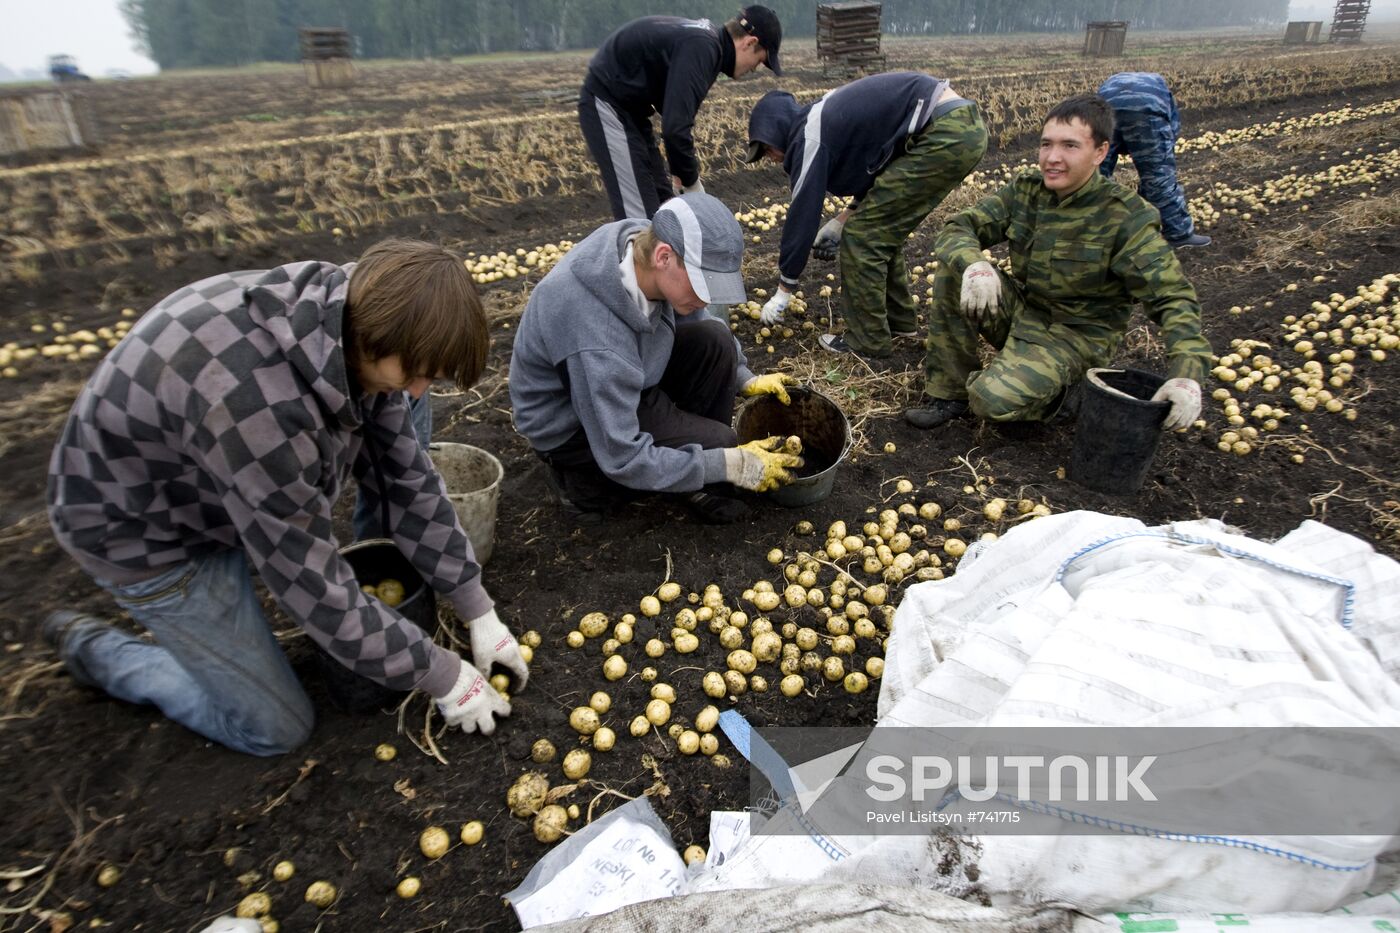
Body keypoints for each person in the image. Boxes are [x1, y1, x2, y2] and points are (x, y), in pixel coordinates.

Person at [44, 239, 528, 757]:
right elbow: (312, 587)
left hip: (218, 485)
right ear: (373, 337)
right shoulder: (261, 415)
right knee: (275, 729)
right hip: (142, 531)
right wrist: (445, 675)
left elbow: (405, 477)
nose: (416, 390)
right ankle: (102, 651)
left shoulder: (351, 321)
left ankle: (257, 635)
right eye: (414, 373)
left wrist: (477, 608)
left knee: (385, 444)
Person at [904, 94, 1211, 431]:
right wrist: (975, 265)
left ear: (1100, 153)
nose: (1052, 158)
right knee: (956, 266)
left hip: (1076, 339)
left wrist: (1186, 375)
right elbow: (959, 227)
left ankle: (1070, 396)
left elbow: (1172, 298)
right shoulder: (1027, 191)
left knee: (990, 401)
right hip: (1026, 314)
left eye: (1069, 146)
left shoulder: (1125, 218)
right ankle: (950, 392)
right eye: (1046, 144)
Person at [509, 192, 804, 525]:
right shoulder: (596, 336)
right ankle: (581, 484)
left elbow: (700, 318)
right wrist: (728, 463)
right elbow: (622, 456)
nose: (705, 298)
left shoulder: (642, 243)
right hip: (573, 425)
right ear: (664, 256)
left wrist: (744, 377)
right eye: (702, 285)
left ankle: (689, 463)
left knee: (715, 340)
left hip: (625, 376)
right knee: (719, 444)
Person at [743, 72, 988, 359]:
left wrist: (784, 289)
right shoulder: (827, 119)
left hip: (944, 131)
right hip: (958, 126)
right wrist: (841, 221)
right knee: (878, 229)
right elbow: (879, 172)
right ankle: (900, 324)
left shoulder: (809, 134)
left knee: (862, 238)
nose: (771, 158)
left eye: (767, 149)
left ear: (777, 130)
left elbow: (802, 214)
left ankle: (867, 341)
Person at [579, 6, 782, 221]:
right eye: (760, 61)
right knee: (638, 220)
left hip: (634, 113)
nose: (754, 69)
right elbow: (676, 128)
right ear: (750, 42)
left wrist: (680, 174)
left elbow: (673, 109)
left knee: (663, 206)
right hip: (608, 103)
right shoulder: (703, 47)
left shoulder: (708, 44)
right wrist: (691, 183)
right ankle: (631, 253)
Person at [1098, 72, 1210, 249]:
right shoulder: (1161, 94)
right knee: (1158, 175)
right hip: (1146, 109)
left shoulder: (1112, 83)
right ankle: (1178, 233)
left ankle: (1093, 231)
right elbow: (1169, 137)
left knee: (1096, 175)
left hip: (1105, 107)